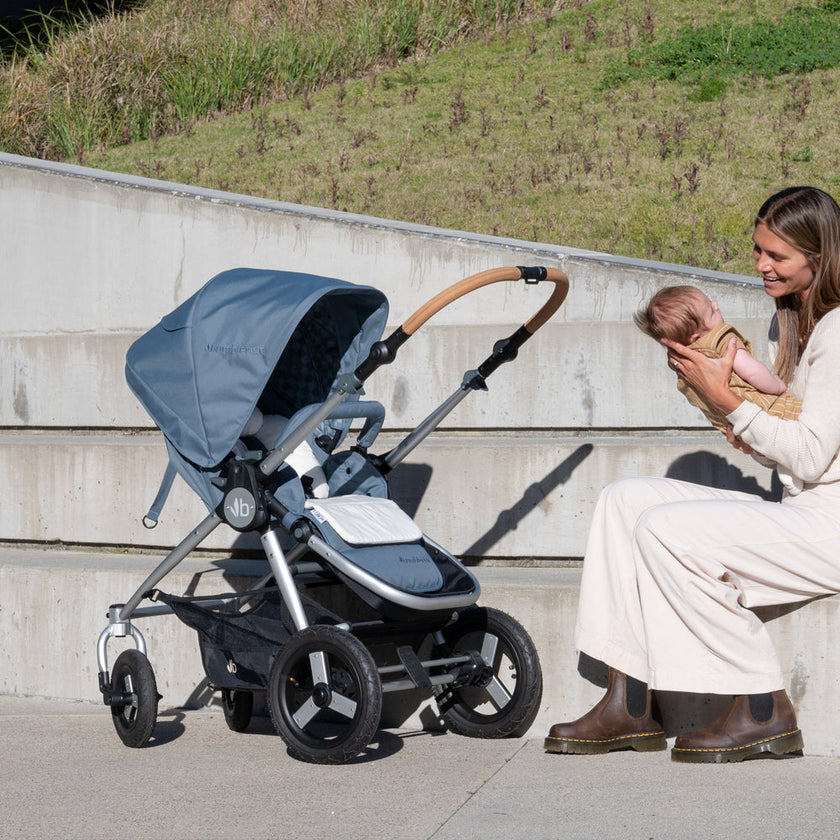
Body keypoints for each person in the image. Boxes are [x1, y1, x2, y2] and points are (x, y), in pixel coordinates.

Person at [545, 186, 840, 763]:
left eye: (776, 256)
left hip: (830, 527)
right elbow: (790, 447)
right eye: (758, 250)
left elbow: (808, 457)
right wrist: (735, 422)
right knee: (623, 501)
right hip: (800, 512)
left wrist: (728, 402)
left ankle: (762, 706)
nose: (760, 265)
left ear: (820, 254)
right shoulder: (790, 327)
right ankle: (627, 700)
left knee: (664, 528)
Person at [634, 285, 801, 434]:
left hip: (738, 428)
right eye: (711, 311)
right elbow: (751, 370)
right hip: (774, 411)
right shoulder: (720, 339)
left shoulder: (684, 363)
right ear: (695, 336)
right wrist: (776, 385)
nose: (715, 304)